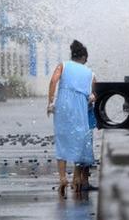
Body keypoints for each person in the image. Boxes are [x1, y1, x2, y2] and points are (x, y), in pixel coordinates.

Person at [47, 40, 96, 197]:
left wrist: (50, 102)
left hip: (62, 105)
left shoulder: (63, 65)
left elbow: (54, 81)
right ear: (83, 58)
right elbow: (94, 94)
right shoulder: (90, 73)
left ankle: (62, 178)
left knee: (62, 138)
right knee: (79, 139)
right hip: (80, 107)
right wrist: (89, 99)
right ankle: (76, 177)